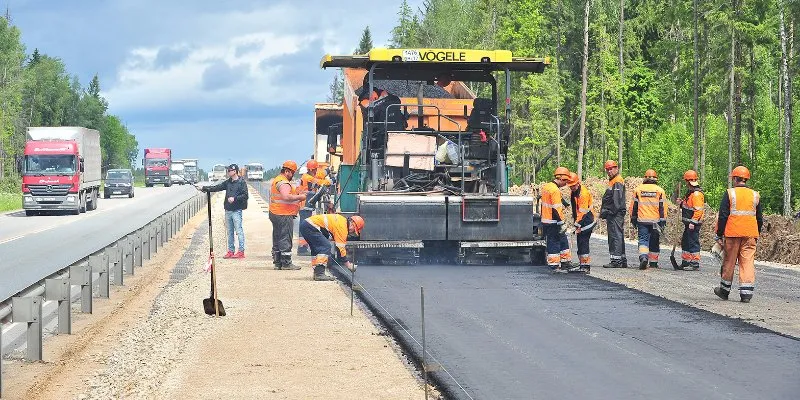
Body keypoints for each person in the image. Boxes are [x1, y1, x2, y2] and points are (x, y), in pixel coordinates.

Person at [714, 166, 763, 303]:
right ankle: (746, 294)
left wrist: (719, 234)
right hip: (750, 234)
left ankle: (724, 291)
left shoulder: (730, 193)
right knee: (747, 262)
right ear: (746, 179)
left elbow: (723, 216)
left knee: (729, 262)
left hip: (733, 233)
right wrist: (756, 233)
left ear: (735, 179)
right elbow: (759, 218)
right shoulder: (755, 195)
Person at [201, 164, 249, 259]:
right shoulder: (228, 182)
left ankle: (241, 251)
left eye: (230, 170)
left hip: (236, 210)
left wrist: (234, 198)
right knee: (229, 232)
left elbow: (245, 196)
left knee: (239, 231)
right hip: (228, 210)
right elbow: (217, 187)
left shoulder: (241, 182)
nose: (228, 172)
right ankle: (231, 251)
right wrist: (204, 188)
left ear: (235, 171)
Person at [299, 213, 364, 281]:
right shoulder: (343, 228)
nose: (352, 232)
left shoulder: (341, 220)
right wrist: (348, 264)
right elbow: (340, 249)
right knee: (325, 246)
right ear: (352, 223)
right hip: (311, 226)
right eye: (354, 230)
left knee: (316, 249)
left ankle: (317, 272)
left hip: (306, 224)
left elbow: (327, 232)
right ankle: (319, 274)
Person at [269, 160, 306, 270]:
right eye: (292, 173)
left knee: (277, 236)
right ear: (287, 171)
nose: (292, 175)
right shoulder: (283, 182)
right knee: (285, 237)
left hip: (276, 212)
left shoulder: (277, 180)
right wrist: (300, 197)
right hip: (283, 213)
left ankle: (277, 262)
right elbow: (286, 197)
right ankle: (286, 263)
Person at [630, 169, 667, 270]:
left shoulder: (638, 190)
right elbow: (663, 207)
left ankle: (643, 258)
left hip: (642, 220)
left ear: (645, 178)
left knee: (643, 240)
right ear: (656, 178)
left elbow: (634, 206)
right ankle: (654, 263)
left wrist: (633, 219)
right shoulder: (660, 191)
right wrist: (663, 221)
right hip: (655, 221)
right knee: (654, 241)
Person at [297, 160, 333, 255]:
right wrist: (330, 181)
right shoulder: (308, 178)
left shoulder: (310, 175)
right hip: (305, 206)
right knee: (304, 226)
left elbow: (320, 174)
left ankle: (304, 246)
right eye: (314, 170)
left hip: (306, 205)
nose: (315, 171)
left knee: (305, 225)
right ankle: (302, 248)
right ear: (311, 169)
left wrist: (328, 170)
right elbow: (321, 183)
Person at [541, 167, 573, 273]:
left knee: (562, 239)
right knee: (554, 242)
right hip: (553, 221)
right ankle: (554, 265)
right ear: (561, 179)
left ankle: (565, 262)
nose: (566, 184)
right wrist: (561, 222)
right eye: (566, 181)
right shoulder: (554, 190)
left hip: (547, 219)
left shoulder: (547, 187)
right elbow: (556, 208)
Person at [600, 160, 628, 268]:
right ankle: (621, 259)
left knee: (615, 236)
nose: (609, 171)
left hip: (615, 214)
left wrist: (609, 212)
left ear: (616, 168)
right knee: (617, 235)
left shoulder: (617, 181)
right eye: (607, 169)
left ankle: (616, 261)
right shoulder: (613, 181)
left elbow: (617, 200)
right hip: (615, 213)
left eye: (611, 169)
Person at [677, 169, 705, 271]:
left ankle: (694, 263)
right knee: (685, 241)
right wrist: (681, 203)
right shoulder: (690, 193)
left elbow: (698, 210)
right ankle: (686, 261)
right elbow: (688, 206)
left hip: (693, 223)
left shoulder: (696, 194)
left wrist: (693, 222)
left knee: (693, 242)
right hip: (688, 223)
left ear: (688, 181)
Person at [567, 172, 595, 273]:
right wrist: (575, 222)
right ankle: (582, 264)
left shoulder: (583, 194)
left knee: (583, 242)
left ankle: (585, 266)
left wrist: (576, 225)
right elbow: (576, 210)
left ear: (578, 183)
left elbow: (582, 212)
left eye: (573, 186)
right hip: (581, 220)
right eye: (570, 186)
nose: (572, 188)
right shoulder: (574, 192)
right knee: (580, 241)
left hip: (587, 220)